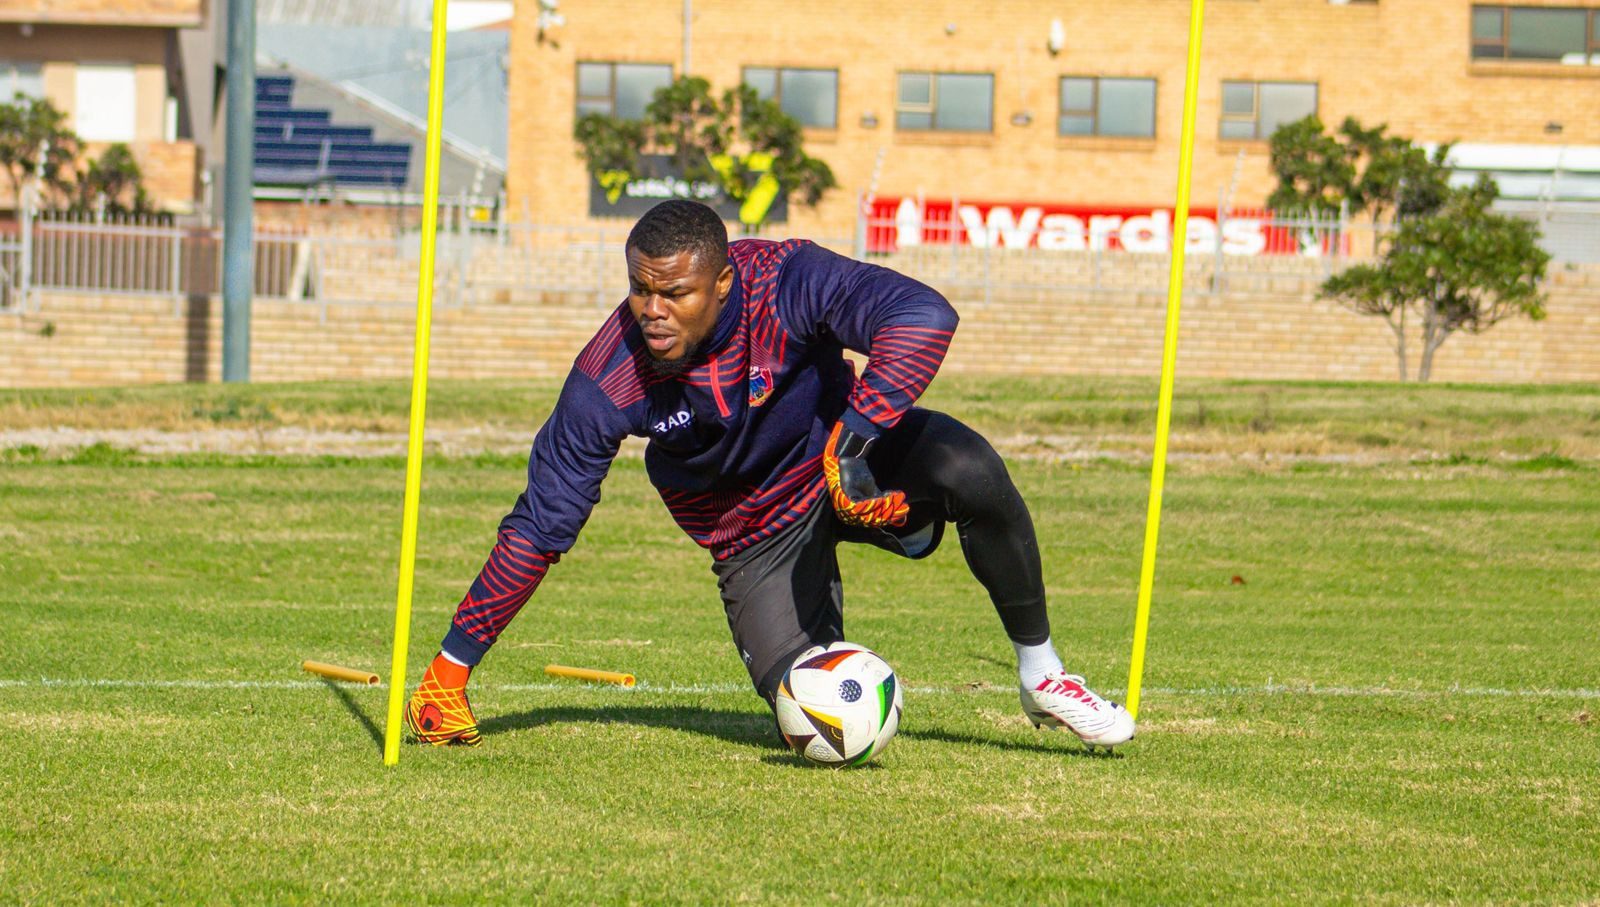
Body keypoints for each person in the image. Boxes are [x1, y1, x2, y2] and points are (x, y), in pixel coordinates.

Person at [404, 199, 1134, 750]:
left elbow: (923, 313)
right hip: (756, 536)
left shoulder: (784, 279)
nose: (653, 312)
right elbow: (541, 523)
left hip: (846, 459)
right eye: (639, 289)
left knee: (968, 464)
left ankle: (1043, 676)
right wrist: (453, 665)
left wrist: (851, 447)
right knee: (813, 713)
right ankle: (882, 563)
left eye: (676, 294)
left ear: (723, 282)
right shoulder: (610, 375)